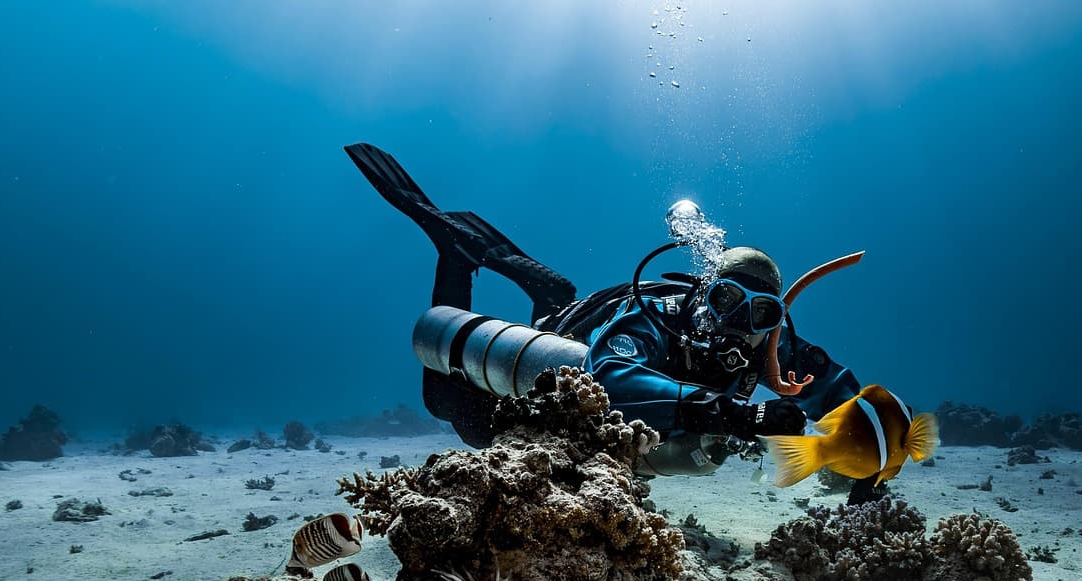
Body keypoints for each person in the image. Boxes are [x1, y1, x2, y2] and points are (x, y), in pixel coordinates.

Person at [346, 144, 872, 495]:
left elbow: (839, 392)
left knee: (553, 303)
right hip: (568, 355)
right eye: (726, 298)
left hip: (593, 345)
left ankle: (548, 290)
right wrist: (732, 413)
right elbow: (610, 378)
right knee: (452, 408)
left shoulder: (770, 347)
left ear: (775, 320)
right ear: (703, 292)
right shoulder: (658, 314)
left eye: (760, 312)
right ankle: (455, 257)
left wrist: (874, 455)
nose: (738, 320)